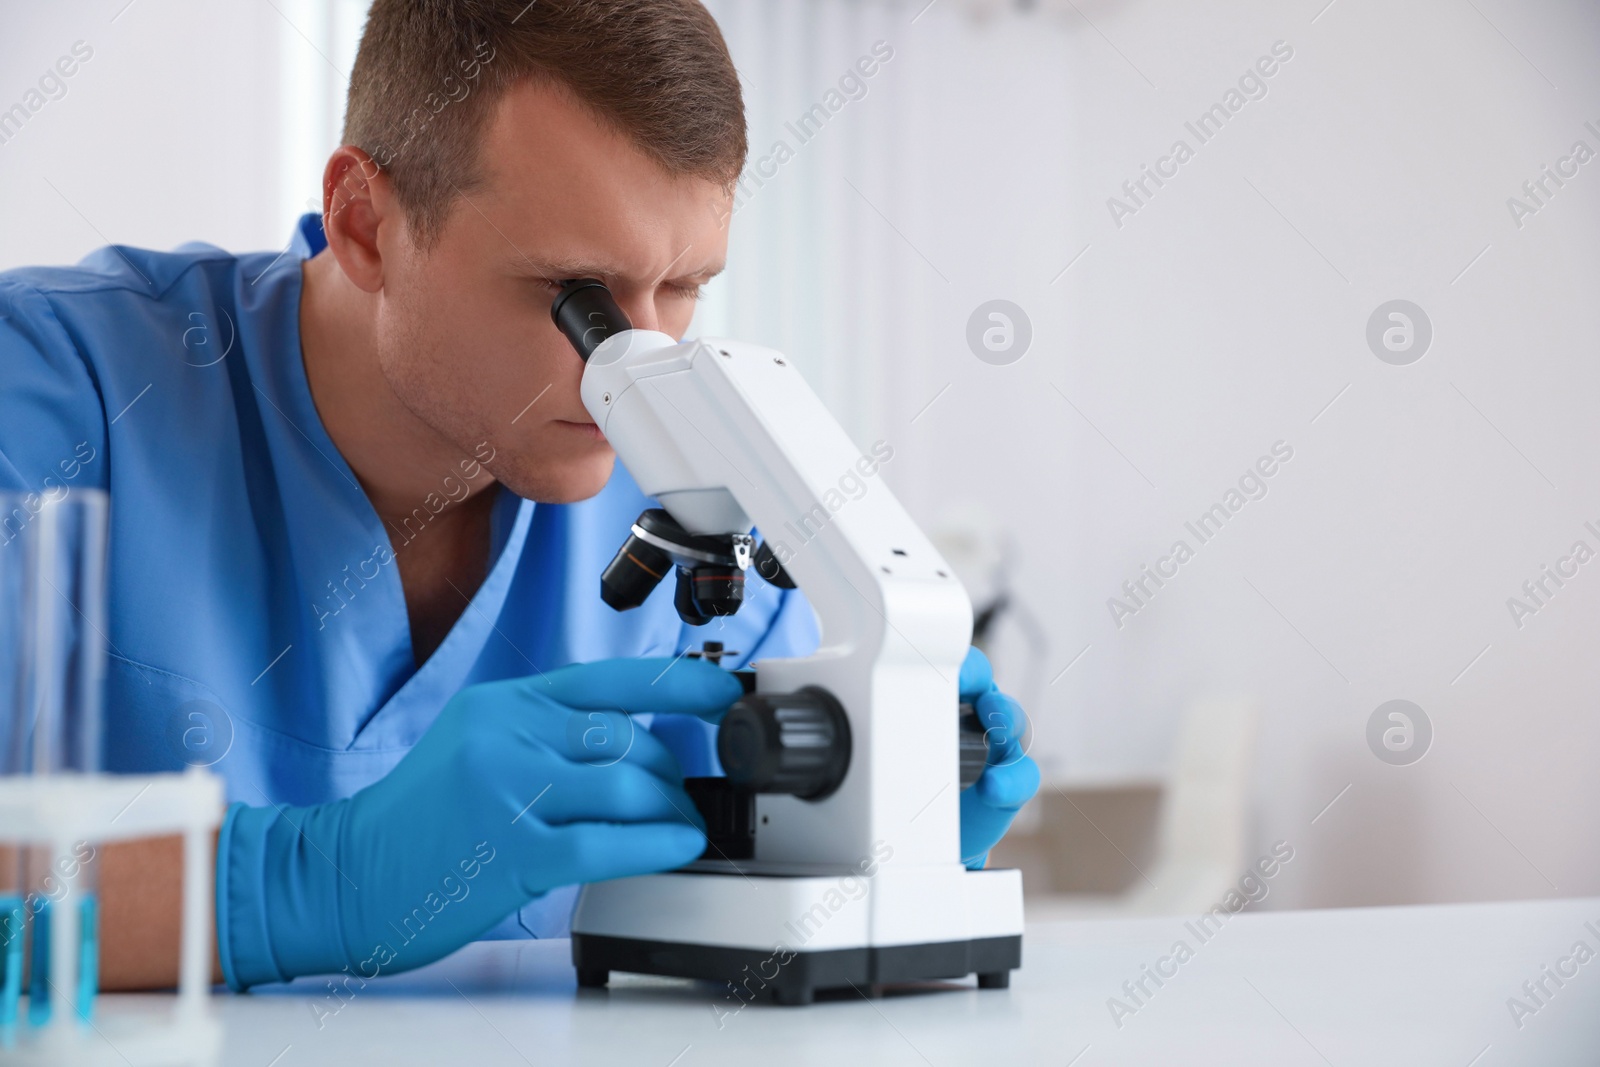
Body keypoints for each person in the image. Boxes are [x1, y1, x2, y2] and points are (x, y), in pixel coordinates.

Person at [0, 0, 1039, 992]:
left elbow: (736, 940)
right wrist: (305, 883)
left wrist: (877, 836)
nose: (630, 364)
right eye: (574, 295)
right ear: (365, 223)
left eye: (681, 288)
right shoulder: (52, 398)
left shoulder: (702, 498)